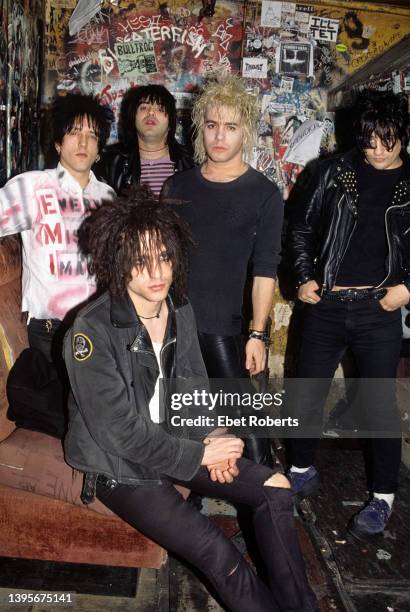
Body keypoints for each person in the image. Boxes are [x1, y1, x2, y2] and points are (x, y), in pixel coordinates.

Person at [63, 188, 317, 612]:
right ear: (118, 264)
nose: (157, 271)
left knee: (276, 488)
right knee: (220, 553)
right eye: (141, 262)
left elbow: (195, 389)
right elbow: (120, 434)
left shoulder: (179, 307)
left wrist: (213, 436)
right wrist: (198, 455)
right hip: (119, 468)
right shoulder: (90, 332)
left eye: (163, 256)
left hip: (175, 440)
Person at [285, 90, 410, 540]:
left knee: (378, 404)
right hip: (327, 304)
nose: (376, 149)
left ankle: (382, 498)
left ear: (403, 135)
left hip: (379, 309)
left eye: (386, 140)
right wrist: (302, 278)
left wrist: (407, 289)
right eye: (368, 139)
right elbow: (298, 228)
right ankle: (301, 470)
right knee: (305, 394)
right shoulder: (332, 172)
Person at [162, 75, 284, 465]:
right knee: (187, 417)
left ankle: (269, 490)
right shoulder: (177, 186)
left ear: (244, 130)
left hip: (223, 326)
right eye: (212, 125)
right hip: (173, 323)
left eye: (230, 127)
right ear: (201, 127)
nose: (219, 136)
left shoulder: (263, 193)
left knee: (244, 418)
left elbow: (266, 270)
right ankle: (197, 489)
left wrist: (258, 335)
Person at [0, 94, 114, 364]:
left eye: (92, 135)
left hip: (99, 326)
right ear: (58, 143)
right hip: (50, 331)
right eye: (74, 133)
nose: (83, 142)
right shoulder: (33, 186)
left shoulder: (108, 196)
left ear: (99, 150)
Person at [95, 84, 193, 196]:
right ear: (133, 117)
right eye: (144, 107)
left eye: (160, 108)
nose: (151, 112)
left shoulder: (190, 163)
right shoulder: (111, 163)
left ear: (171, 121)